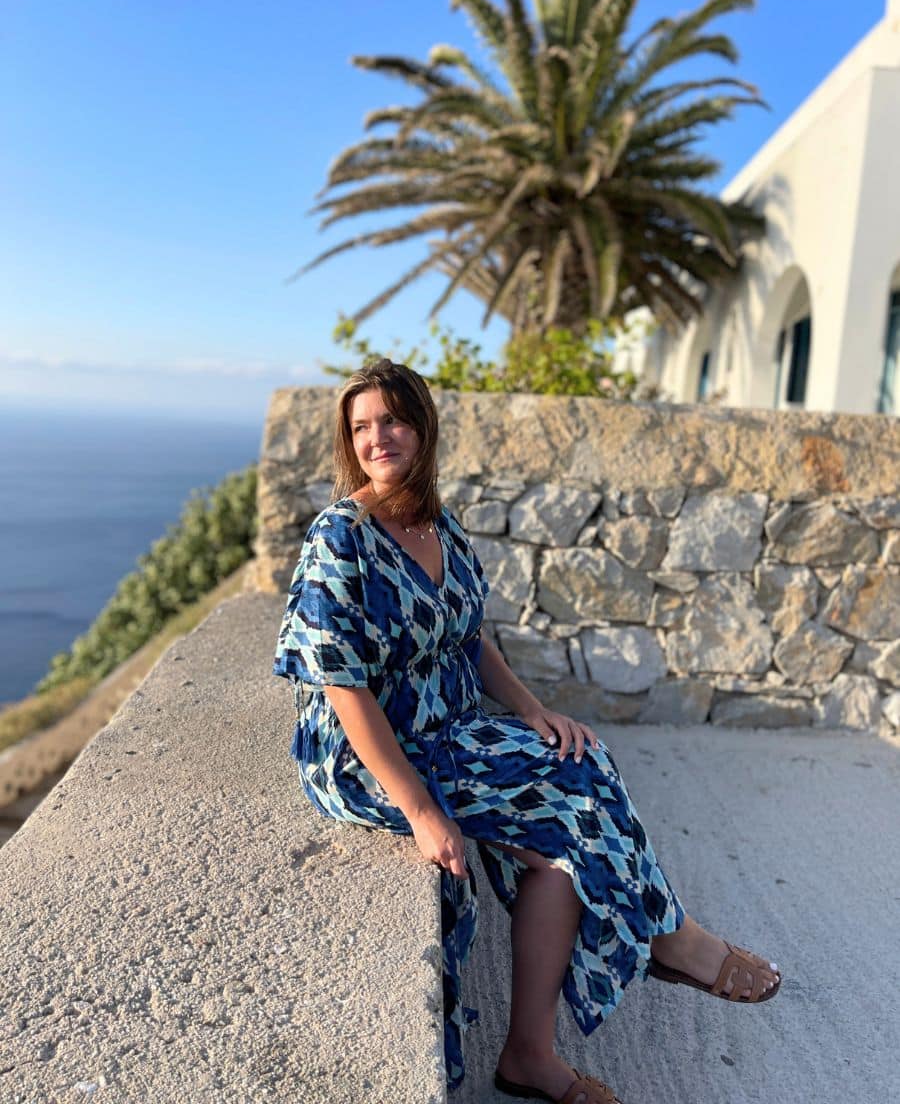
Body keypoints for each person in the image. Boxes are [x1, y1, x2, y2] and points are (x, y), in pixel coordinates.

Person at [272, 359, 781, 1104]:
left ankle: (528, 1057)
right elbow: (340, 683)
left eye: (392, 420)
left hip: (449, 727)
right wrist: (419, 812)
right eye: (362, 427)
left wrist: (532, 710)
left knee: (577, 777)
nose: (378, 437)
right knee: (575, 792)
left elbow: (469, 640)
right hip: (369, 751)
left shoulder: (435, 522)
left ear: (422, 427)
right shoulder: (340, 537)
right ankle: (671, 938)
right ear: (350, 442)